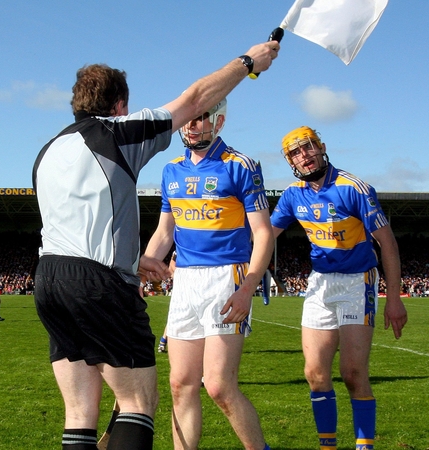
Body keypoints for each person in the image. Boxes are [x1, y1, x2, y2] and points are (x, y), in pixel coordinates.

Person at [31, 39, 280, 450]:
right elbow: (194, 97)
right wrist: (249, 61)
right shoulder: (119, 134)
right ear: (120, 106)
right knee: (138, 402)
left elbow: (88, 219)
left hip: (50, 281)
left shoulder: (49, 148)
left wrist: (139, 259)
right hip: (101, 283)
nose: (192, 123)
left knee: (78, 413)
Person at [142, 98, 274, 450]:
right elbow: (164, 232)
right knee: (180, 384)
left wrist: (248, 286)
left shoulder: (241, 166)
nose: (191, 124)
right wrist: (145, 264)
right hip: (186, 280)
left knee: (218, 386)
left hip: (227, 277)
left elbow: (263, 233)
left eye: (201, 118)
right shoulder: (171, 170)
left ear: (219, 122)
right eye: (188, 117)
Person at [270, 126, 408, 450]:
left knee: (352, 373)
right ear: (290, 161)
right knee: (315, 374)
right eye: (295, 153)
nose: (304, 156)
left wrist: (395, 299)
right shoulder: (293, 195)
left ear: (321, 147)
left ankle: (365, 446)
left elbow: (387, 243)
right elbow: (262, 236)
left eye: (308, 147)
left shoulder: (353, 188)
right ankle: (327, 446)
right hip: (319, 283)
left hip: (357, 283)